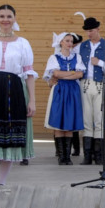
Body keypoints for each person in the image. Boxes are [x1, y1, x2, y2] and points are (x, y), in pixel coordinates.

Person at [0, 5, 38, 185]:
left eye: (9, 16)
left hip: (14, 90)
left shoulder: (23, 43)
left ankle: (2, 182)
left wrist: (32, 100)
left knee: (9, 137)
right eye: (2, 16)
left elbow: (29, 74)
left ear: (15, 19)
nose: (5, 19)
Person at [78, 17, 105, 165]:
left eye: (91, 30)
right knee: (87, 119)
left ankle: (99, 155)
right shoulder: (82, 46)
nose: (89, 33)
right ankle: (87, 155)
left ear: (98, 29)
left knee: (99, 118)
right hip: (85, 84)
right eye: (87, 31)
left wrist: (100, 63)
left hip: (100, 84)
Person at [43, 32, 85, 165]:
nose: (70, 43)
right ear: (61, 42)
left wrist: (64, 75)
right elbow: (55, 73)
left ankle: (68, 156)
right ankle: (62, 156)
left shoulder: (77, 57)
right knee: (58, 121)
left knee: (69, 122)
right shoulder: (54, 57)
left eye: (71, 41)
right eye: (67, 40)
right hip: (60, 90)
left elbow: (80, 74)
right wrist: (71, 73)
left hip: (72, 90)